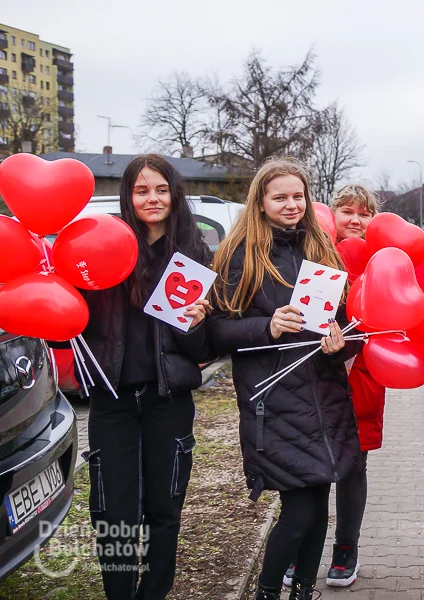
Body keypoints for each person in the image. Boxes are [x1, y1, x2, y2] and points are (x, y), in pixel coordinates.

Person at [208, 158, 362, 600]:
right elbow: (216, 330)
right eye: (280, 197)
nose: (291, 204)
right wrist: (268, 326)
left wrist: (342, 342)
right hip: (273, 401)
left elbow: (347, 325)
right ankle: (268, 591)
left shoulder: (324, 249)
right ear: (260, 203)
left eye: (298, 196)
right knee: (298, 511)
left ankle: (303, 591)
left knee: (317, 509)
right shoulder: (241, 257)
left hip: (325, 397)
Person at [77, 154, 213, 600]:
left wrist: (195, 326)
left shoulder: (194, 253)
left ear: (174, 194)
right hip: (111, 402)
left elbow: (206, 349)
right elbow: (72, 324)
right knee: (113, 513)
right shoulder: (103, 244)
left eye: (160, 189)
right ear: (127, 195)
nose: (152, 198)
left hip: (167, 400)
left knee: (164, 508)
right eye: (141, 190)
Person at [281, 183, 383, 588]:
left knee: (354, 466)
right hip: (316, 373)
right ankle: (301, 548)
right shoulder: (314, 255)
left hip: (365, 374)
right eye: (347, 212)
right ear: (333, 216)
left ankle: (346, 550)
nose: (355, 220)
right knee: (312, 465)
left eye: (364, 213)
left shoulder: (382, 260)